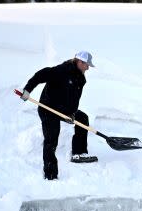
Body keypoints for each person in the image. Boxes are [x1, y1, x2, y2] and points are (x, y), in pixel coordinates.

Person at [20, 51, 98, 180]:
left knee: (82, 118)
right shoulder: (62, 70)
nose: (88, 68)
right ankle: (50, 174)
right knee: (51, 139)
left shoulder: (81, 78)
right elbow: (41, 75)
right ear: (80, 62)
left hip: (64, 111)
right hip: (48, 110)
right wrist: (27, 90)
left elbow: (73, 98)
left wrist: (71, 113)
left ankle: (79, 153)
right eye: (87, 65)